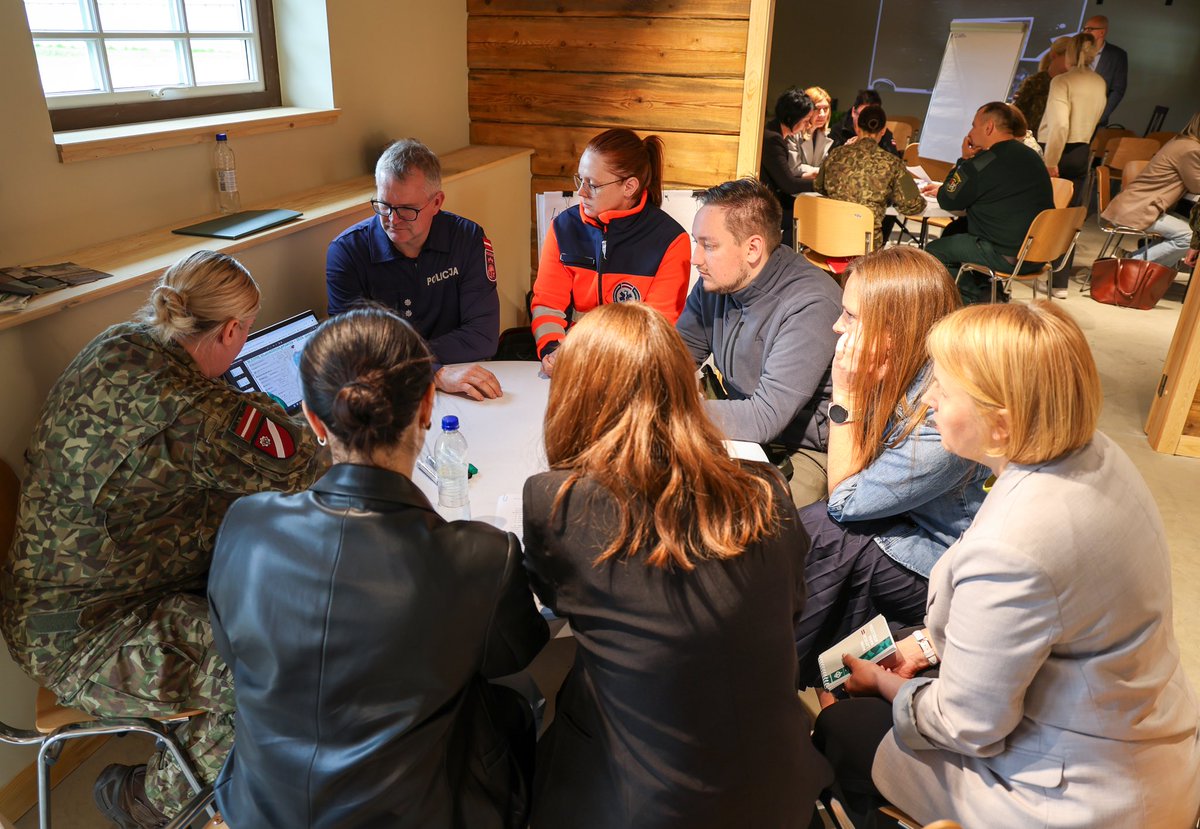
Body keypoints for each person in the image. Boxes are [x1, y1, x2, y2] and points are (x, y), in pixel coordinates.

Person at [814, 301, 1200, 828]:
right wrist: (926, 645)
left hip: (1074, 797)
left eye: (943, 391)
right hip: (1146, 746)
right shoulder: (1097, 453)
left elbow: (966, 726)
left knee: (844, 727)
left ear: (1001, 424)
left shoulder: (1011, 547)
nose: (926, 400)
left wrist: (887, 688)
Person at [0, 251, 325, 827]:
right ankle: (152, 802)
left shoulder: (121, 343)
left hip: (68, 598)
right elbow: (299, 464)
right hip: (90, 636)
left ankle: (244, 770)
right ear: (232, 331)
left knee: (275, 591)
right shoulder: (192, 411)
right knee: (283, 669)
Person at [208, 305, 549, 828]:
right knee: (518, 699)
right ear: (428, 407)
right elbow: (515, 654)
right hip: (420, 812)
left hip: (261, 806)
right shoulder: (481, 556)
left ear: (315, 420)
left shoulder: (245, 524)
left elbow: (235, 655)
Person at [523, 301, 834, 829]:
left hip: (642, 808)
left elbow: (554, 605)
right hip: (779, 794)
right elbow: (791, 601)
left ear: (574, 396)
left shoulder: (559, 504)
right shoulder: (766, 490)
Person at [791, 247, 988, 692]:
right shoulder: (897, 367)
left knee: (827, 533)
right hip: (897, 519)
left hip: (936, 559)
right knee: (813, 532)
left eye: (851, 316)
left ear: (893, 332)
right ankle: (801, 677)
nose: (837, 326)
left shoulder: (943, 410)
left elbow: (845, 501)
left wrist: (846, 393)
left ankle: (779, 672)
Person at [676, 178, 842, 507]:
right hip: (740, 429)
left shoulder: (810, 303)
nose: (695, 258)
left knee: (733, 518)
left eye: (708, 245)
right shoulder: (716, 283)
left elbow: (765, 417)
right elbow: (676, 357)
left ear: (752, 249)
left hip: (804, 450)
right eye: (697, 243)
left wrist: (669, 412)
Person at [326, 138, 503, 401]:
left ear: (436, 202)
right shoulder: (347, 253)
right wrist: (432, 373)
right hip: (386, 392)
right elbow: (352, 352)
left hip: (461, 381)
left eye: (407, 210)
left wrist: (395, 360)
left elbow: (482, 337)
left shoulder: (467, 239)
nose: (392, 220)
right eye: (384, 206)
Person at [530, 128, 690, 376]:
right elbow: (548, 304)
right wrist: (552, 351)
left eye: (592, 185)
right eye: (580, 180)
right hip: (570, 364)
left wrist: (597, 358)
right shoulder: (562, 228)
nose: (581, 192)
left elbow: (658, 327)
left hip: (633, 371)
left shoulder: (671, 240)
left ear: (629, 187)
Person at [924, 102, 1054, 304]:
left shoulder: (983, 162)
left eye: (974, 125)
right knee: (956, 230)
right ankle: (990, 292)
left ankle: (978, 299)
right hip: (1039, 251)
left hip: (1006, 255)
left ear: (989, 127)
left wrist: (963, 159)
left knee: (934, 251)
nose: (970, 132)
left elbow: (948, 199)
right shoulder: (1031, 156)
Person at [816, 105, 925, 250]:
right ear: (883, 131)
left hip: (828, 241)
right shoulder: (892, 163)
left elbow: (818, 186)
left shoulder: (835, 154)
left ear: (857, 128)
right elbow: (913, 205)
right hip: (865, 249)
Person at [1101, 113, 1200, 270]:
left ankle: (1131, 262)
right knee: (1189, 237)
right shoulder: (1191, 150)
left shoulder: (1180, 141)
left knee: (1186, 228)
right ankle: (1127, 267)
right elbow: (1197, 186)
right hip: (1139, 208)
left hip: (1135, 204)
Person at [759, 87, 817, 247]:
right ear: (792, 118)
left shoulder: (774, 135)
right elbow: (788, 184)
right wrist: (820, 185)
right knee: (804, 216)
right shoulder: (773, 140)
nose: (808, 125)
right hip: (764, 206)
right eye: (806, 120)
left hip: (771, 200)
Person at [1012, 36, 1071, 136]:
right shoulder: (1034, 83)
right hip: (1030, 140)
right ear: (1054, 55)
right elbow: (1017, 114)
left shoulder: (1071, 86)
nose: (1074, 62)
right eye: (1069, 56)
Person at [1083, 14, 1128, 126]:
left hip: (1096, 119)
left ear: (1102, 32)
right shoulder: (1077, 50)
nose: (1085, 32)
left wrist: (1101, 116)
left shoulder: (1117, 55)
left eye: (1090, 29)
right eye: (1084, 29)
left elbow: (1118, 90)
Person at [829, 89, 901, 157]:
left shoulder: (881, 132)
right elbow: (829, 161)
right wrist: (846, 149)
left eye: (872, 117)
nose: (867, 121)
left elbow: (894, 159)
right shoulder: (839, 130)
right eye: (863, 116)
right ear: (853, 112)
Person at [789, 86, 835, 177]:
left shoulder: (825, 135)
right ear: (806, 109)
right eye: (817, 109)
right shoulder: (793, 133)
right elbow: (794, 168)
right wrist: (822, 171)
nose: (822, 114)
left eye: (825, 109)